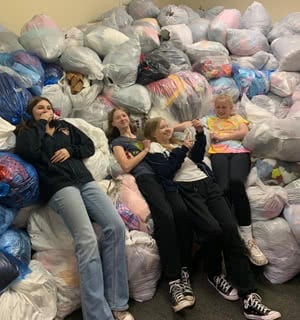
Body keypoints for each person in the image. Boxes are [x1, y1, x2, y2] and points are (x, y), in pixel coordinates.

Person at [143, 116, 281, 320]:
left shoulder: (177, 143)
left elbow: (197, 158)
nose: (167, 129)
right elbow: (165, 171)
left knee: (231, 231)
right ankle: (214, 273)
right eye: (161, 127)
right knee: (213, 230)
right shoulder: (153, 149)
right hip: (186, 190)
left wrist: (198, 136)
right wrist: (181, 150)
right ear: (152, 133)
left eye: (167, 126)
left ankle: (250, 297)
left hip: (207, 184)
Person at [15, 97, 134, 320]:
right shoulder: (27, 131)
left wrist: (70, 150)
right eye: (40, 108)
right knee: (86, 239)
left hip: (84, 180)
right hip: (58, 186)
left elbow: (87, 146)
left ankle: (118, 303)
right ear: (32, 112)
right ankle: (98, 315)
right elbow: (28, 152)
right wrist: (41, 125)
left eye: (49, 107)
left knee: (116, 226)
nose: (46, 110)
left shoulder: (64, 126)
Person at [107, 107, 195, 313]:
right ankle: (173, 280)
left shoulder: (140, 135)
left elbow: (166, 128)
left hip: (165, 175)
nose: (122, 118)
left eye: (124, 114)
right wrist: (145, 150)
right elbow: (126, 166)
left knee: (182, 214)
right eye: (117, 117)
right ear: (113, 123)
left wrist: (189, 124)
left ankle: (185, 272)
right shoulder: (118, 143)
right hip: (146, 176)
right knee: (165, 215)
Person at [201, 94, 268, 266]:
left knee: (236, 182)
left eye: (225, 107)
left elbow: (244, 132)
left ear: (231, 108)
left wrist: (222, 137)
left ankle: (248, 238)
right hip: (218, 153)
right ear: (214, 108)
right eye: (219, 107)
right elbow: (190, 124)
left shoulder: (238, 118)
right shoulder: (209, 119)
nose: (221, 110)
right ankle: (232, 237)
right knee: (223, 189)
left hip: (239, 153)